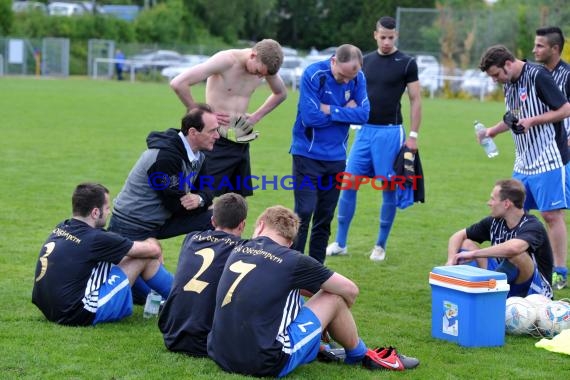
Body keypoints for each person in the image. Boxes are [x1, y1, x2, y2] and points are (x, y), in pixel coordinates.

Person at [207, 205, 419, 377]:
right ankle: (361, 356)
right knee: (335, 297)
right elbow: (351, 290)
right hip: (264, 362)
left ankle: (323, 345)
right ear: (290, 242)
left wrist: (321, 318)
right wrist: (330, 315)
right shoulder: (293, 259)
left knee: (295, 297)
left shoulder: (238, 248)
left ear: (260, 226)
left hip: (220, 352)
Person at [326, 16, 422, 261]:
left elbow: (415, 100)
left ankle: (380, 246)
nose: (387, 41)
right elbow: (352, 92)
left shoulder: (407, 63)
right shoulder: (365, 61)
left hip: (391, 132)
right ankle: (340, 242)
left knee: (388, 188)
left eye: (391, 37)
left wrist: (413, 135)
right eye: (383, 37)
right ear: (375, 35)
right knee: (348, 183)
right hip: (365, 131)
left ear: (396, 36)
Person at [478, 45, 570, 292]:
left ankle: (559, 271)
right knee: (514, 215)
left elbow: (565, 109)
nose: (496, 80)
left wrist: (534, 121)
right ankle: (513, 268)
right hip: (523, 161)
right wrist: (491, 131)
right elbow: (514, 115)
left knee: (551, 216)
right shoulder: (509, 83)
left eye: (496, 75)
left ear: (508, 64)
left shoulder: (538, 75)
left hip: (549, 158)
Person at [32, 183, 173, 326]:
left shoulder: (63, 226)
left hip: (49, 307)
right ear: (95, 212)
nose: (109, 212)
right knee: (145, 258)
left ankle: (162, 300)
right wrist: (152, 240)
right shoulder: (96, 238)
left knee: (126, 256)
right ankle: (183, 298)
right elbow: (153, 250)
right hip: (77, 313)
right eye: (106, 208)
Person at [170, 39, 287, 197]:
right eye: (259, 71)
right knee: (202, 197)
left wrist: (256, 117)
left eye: (264, 75)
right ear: (253, 55)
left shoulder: (264, 68)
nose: (260, 76)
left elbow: (281, 93)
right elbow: (178, 83)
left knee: (237, 203)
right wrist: (197, 110)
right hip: (215, 140)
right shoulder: (226, 61)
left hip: (241, 142)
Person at [290, 44, 370, 264]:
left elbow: (364, 114)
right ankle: (292, 267)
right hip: (307, 154)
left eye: (350, 77)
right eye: (342, 76)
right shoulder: (313, 74)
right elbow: (310, 117)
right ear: (333, 61)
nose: (346, 81)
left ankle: (315, 270)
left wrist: (329, 108)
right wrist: (346, 110)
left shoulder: (357, 77)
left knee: (324, 218)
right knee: (304, 212)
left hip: (335, 159)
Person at [108, 104, 219, 242]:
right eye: (212, 131)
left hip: (158, 221)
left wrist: (200, 199)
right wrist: (204, 202)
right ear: (193, 132)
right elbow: (176, 205)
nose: (217, 136)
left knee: (220, 217)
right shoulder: (165, 158)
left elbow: (208, 187)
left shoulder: (198, 155)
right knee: (148, 259)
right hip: (131, 225)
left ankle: (197, 261)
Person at [158, 193, 247, 357]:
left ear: (213, 221)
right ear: (242, 225)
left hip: (172, 335)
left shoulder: (191, 238)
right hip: (207, 342)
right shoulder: (242, 249)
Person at [446, 179, 553, 299]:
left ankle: (491, 294)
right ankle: (486, 291)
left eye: (493, 199)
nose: (489, 203)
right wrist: (450, 261)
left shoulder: (533, 226)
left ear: (506, 203)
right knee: (466, 243)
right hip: (505, 279)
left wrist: (474, 254)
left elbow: (513, 249)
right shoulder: (494, 222)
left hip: (536, 292)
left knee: (518, 255)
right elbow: (457, 236)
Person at [533, 26, 570, 289]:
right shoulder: (536, 74)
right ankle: (539, 265)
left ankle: (559, 270)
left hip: (563, 154)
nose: (535, 50)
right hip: (543, 153)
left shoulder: (567, 76)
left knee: (552, 213)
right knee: (548, 212)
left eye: (540, 46)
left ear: (555, 49)